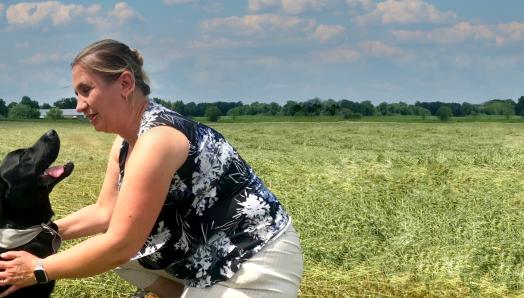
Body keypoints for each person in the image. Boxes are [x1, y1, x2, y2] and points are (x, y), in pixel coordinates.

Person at [0, 39, 303, 298]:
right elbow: (105, 211)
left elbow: (120, 243)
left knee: (115, 250)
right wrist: (43, 234)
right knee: (118, 253)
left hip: (252, 262)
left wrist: (39, 269)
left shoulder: (157, 141)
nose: (79, 105)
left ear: (125, 84)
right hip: (207, 259)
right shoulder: (126, 141)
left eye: (86, 90)